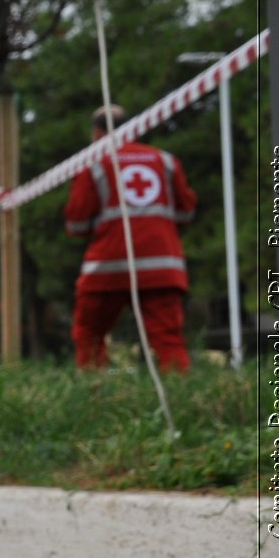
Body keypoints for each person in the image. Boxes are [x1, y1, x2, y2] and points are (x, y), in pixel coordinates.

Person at [65, 104, 197, 372]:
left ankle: (94, 397)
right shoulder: (167, 161)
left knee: (89, 335)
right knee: (168, 339)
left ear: (97, 132)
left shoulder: (93, 164)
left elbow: (76, 224)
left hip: (108, 267)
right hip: (162, 267)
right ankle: (180, 401)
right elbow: (185, 213)